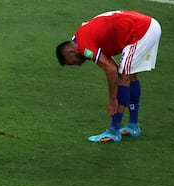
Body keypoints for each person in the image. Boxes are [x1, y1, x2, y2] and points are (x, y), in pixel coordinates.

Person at [55, 10, 161, 142]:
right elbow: (112, 65)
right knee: (130, 75)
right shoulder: (82, 36)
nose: (77, 65)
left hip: (140, 32)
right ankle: (133, 126)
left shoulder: (83, 46)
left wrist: (112, 100)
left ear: (70, 52)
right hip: (146, 26)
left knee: (125, 76)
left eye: (71, 63)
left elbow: (111, 70)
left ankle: (114, 131)